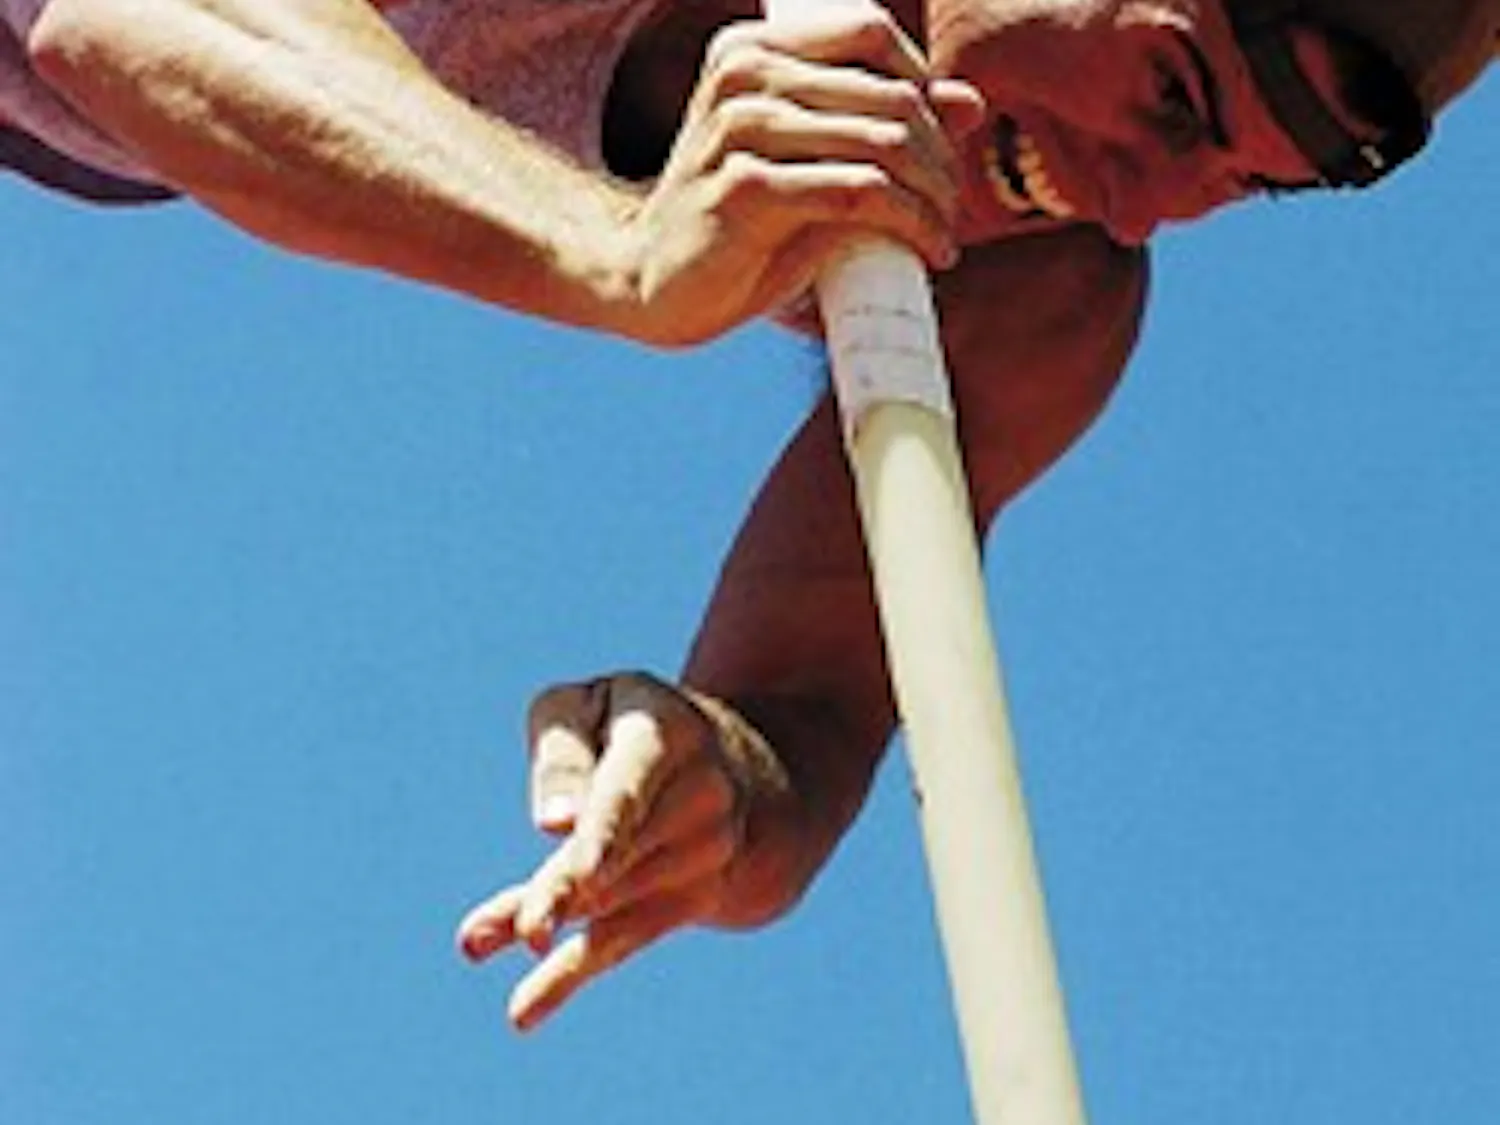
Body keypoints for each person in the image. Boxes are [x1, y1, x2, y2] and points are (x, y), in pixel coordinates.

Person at [2, 0, 1493, 1030]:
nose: (1141, 203)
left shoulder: (1032, 294)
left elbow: (809, 722)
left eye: (1242, 182)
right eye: (1174, 94)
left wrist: (722, 785)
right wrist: (615, 247)